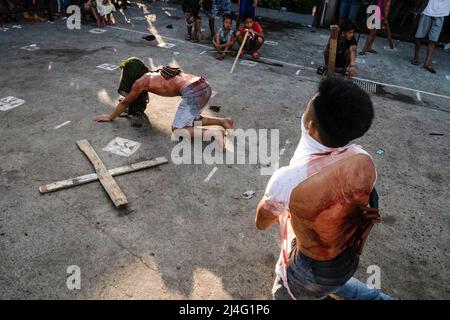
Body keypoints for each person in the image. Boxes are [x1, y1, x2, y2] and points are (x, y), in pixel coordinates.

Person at [256, 77, 395, 300]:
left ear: (310, 127)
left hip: (308, 269)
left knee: (284, 294)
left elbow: (262, 222)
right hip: (346, 257)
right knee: (334, 283)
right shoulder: (362, 159)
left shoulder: (289, 179)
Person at [94, 57, 234, 146]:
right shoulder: (156, 73)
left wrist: (110, 117)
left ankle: (215, 134)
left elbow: (125, 103)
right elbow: (129, 99)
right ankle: (223, 122)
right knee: (191, 120)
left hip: (192, 91)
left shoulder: (140, 82)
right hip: (204, 85)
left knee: (178, 130)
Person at [411, 0, 450, 73]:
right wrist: (417, 9)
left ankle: (427, 62)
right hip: (428, 10)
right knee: (419, 36)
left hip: (442, 12)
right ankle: (416, 57)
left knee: (433, 39)